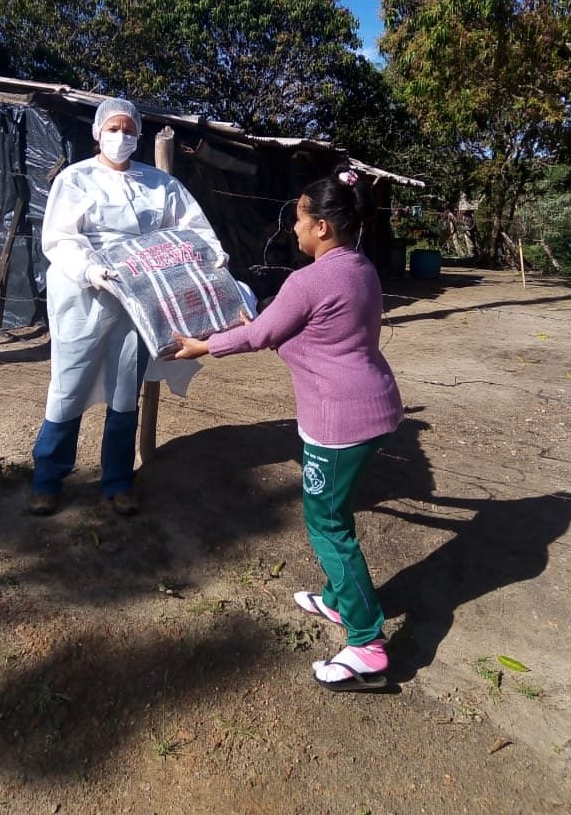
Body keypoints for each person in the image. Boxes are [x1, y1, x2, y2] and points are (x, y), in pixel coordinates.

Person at [170, 166, 404, 691]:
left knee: (328, 524)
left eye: (298, 220)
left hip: (339, 420)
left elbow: (262, 334)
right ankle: (340, 598)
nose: (292, 230)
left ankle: (366, 643)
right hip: (376, 406)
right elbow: (294, 329)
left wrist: (201, 345)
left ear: (322, 226)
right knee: (335, 513)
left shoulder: (309, 279)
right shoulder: (360, 267)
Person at [29, 97, 227, 517]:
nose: (121, 136)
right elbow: (60, 237)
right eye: (113, 128)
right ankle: (47, 478)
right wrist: (88, 269)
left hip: (140, 300)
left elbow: (190, 227)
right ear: (97, 131)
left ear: (139, 136)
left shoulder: (160, 183)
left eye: (129, 130)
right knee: (69, 386)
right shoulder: (75, 179)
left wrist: (211, 254)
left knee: (125, 390)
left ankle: (117, 481)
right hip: (85, 296)